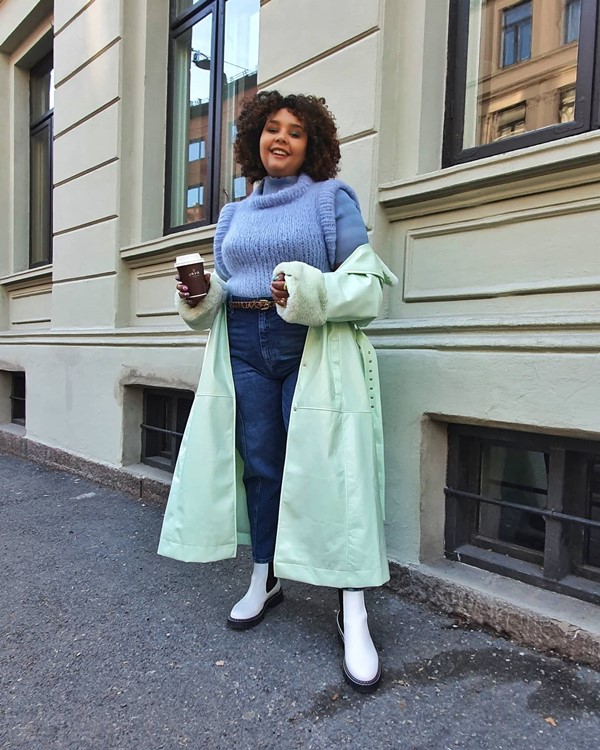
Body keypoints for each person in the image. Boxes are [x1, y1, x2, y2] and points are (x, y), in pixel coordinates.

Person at [158, 90, 397, 693]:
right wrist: (198, 296)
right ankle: (264, 576)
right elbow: (224, 289)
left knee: (329, 469)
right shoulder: (235, 214)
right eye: (271, 129)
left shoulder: (330, 200)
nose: (281, 138)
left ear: (312, 143)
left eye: (294, 131)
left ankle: (353, 610)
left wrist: (312, 295)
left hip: (308, 345)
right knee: (261, 465)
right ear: (253, 141)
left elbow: (367, 288)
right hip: (242, 339)